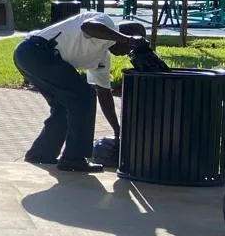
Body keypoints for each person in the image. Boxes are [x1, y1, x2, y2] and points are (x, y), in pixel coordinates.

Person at [13, 11, 149, 172]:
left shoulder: (102, 57)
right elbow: (88, 27)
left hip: (32, 57)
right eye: (130, 47)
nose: (127, 53)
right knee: (84, 97)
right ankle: (74, 158)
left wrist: (117, 130)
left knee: (64, 106)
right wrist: (127, 39)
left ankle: (41, 154)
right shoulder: (105, 22)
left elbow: (104, 94)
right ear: (125, 35)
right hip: (35, 51)